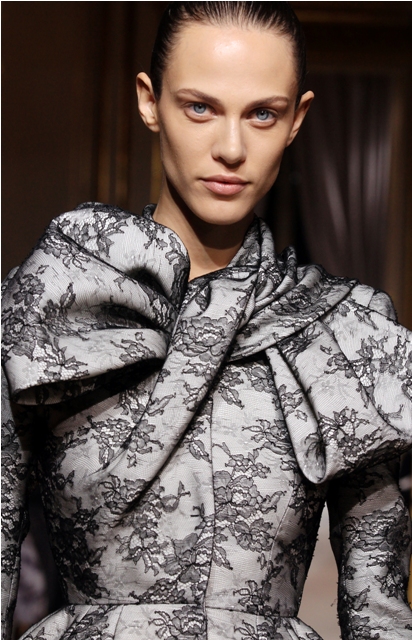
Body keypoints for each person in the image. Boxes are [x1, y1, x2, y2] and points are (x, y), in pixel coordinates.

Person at [2, 2, 411, 639]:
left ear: (297, 119)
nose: (231, 149)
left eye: (262, 114)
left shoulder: (343, 334)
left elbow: (380, 616)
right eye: (200, 107)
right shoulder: (59, 301)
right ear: (149, 101)